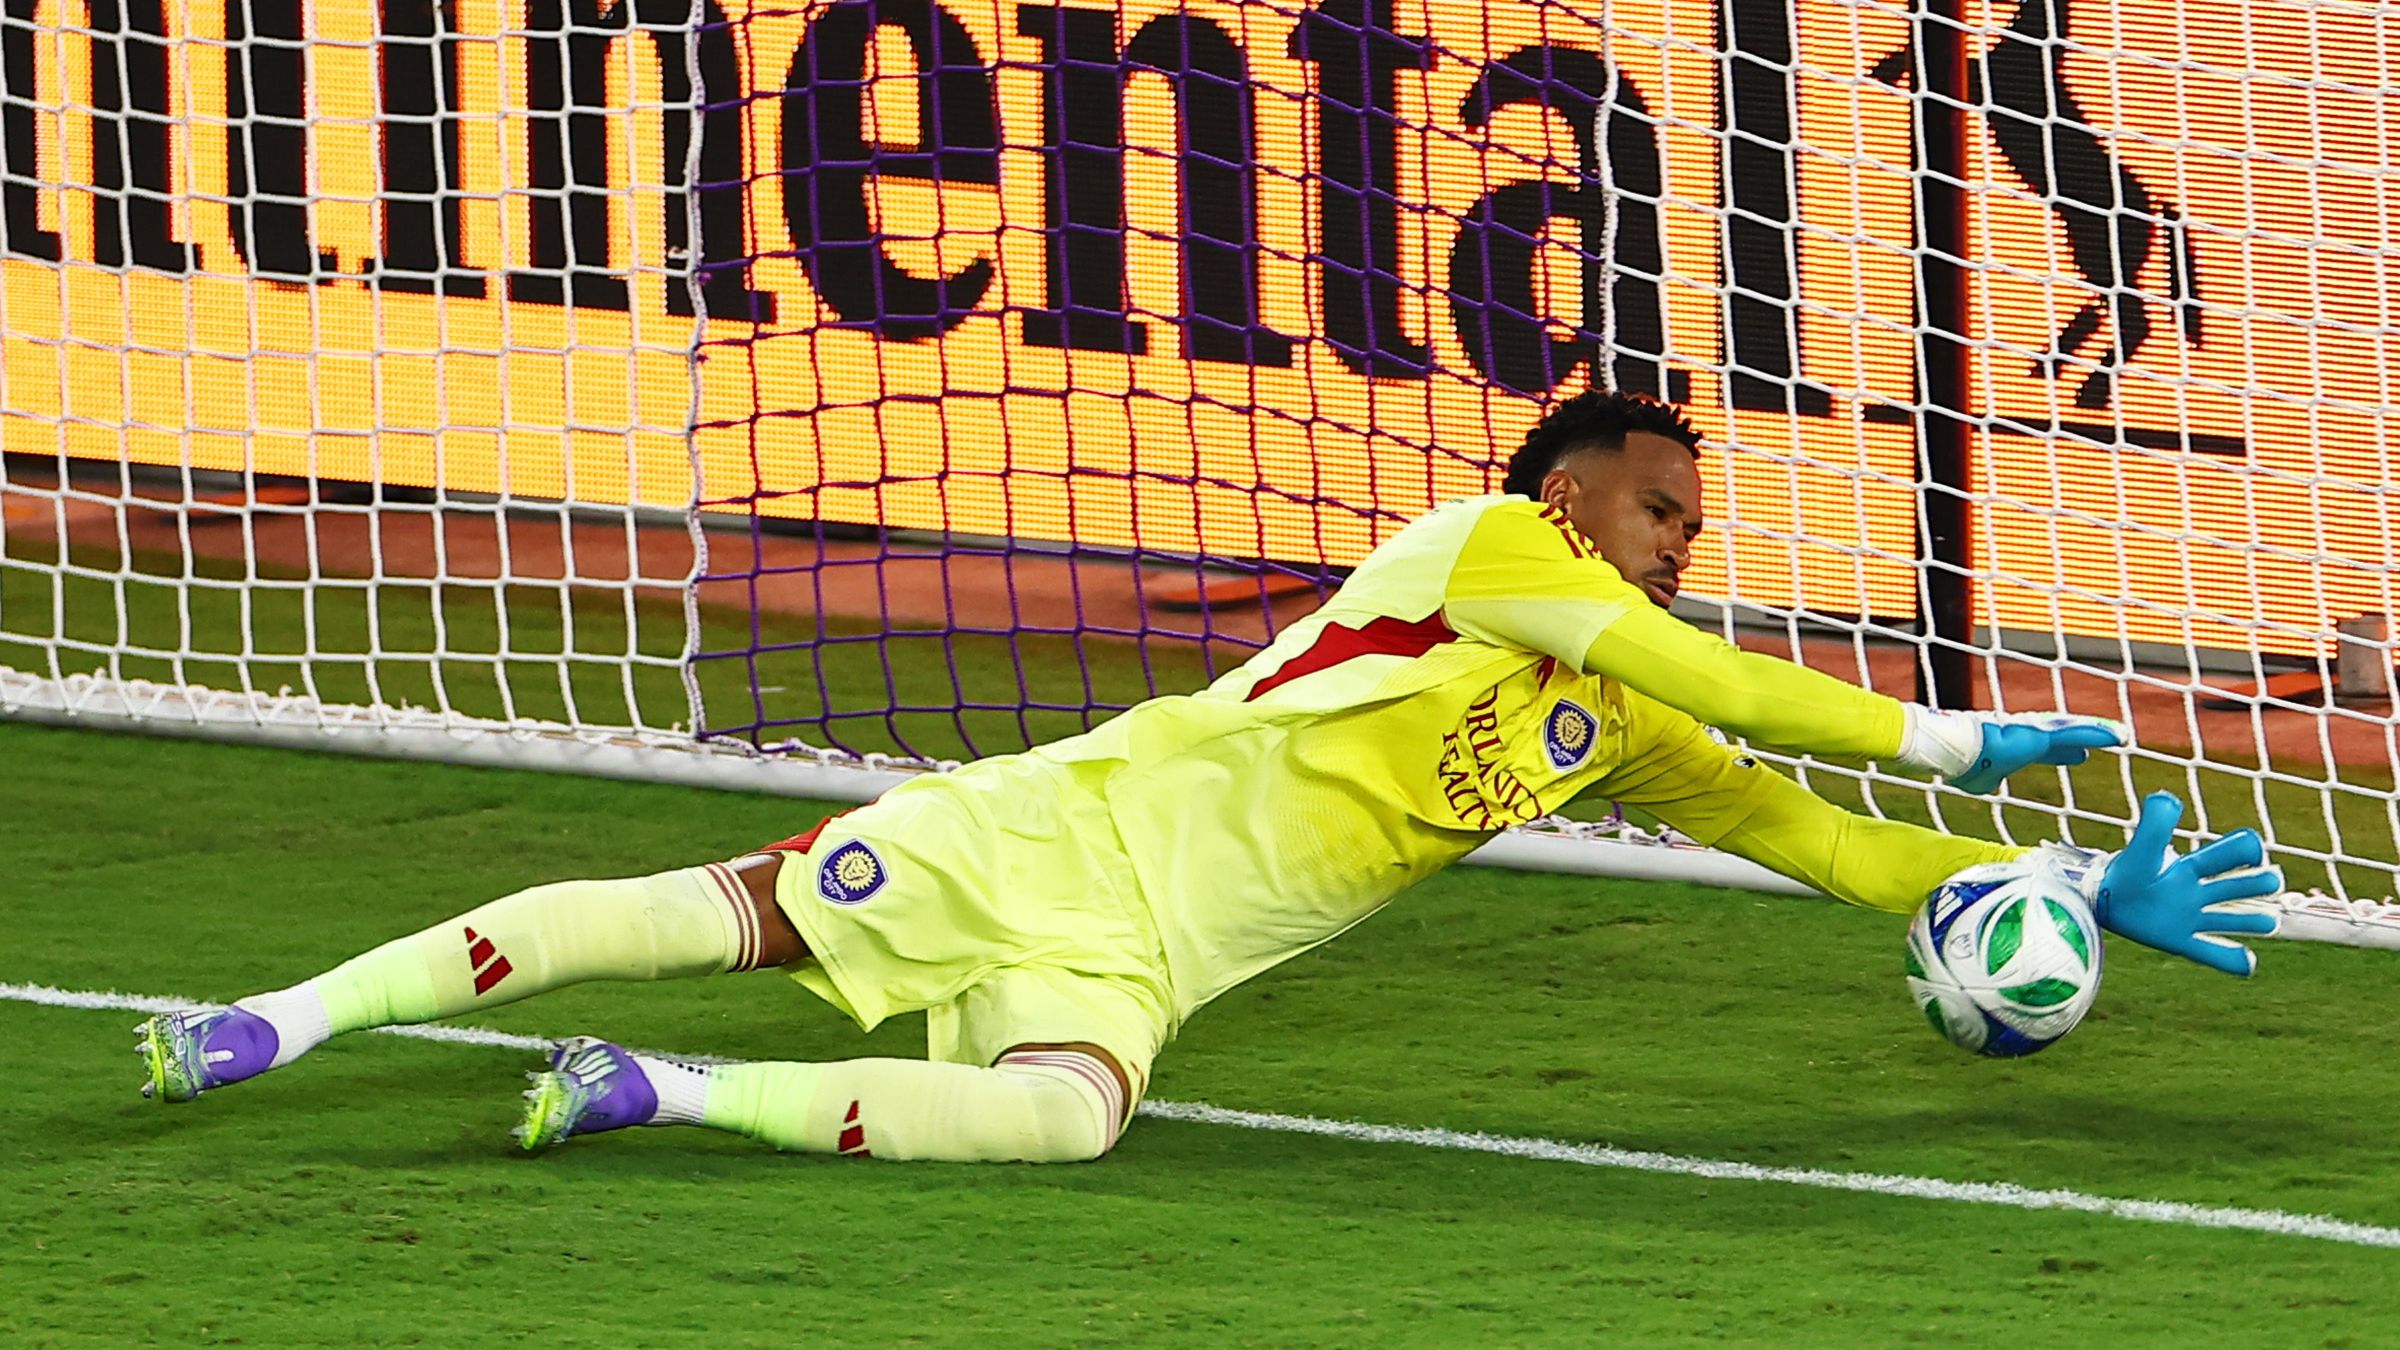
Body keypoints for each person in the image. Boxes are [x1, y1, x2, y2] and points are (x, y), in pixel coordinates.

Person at [134, 391, 2280, 1162]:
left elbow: (1810, 834)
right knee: (723, 906)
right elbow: (1708, 673)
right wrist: (1971, 729)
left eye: (1687, 524)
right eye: (1650, 508)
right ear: (1557, 495)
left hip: (1156, 952)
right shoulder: (1481, 553)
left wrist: (2067, 882)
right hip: (1068, 824)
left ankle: (659, 1096)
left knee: (1068, 1126)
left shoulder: (1612, 718)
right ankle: (286, 1016)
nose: (1666, 542)